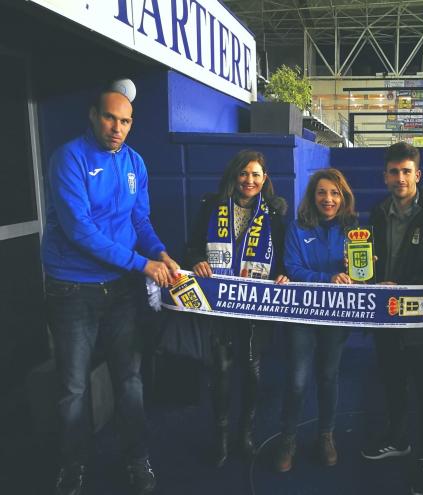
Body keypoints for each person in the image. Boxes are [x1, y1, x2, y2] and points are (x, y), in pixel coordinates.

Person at [42, 80, 179, 495]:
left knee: (130, 380)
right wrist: (143, 264)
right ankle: (73, 467)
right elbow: (79, 231)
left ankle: (136, 460)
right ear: (93, 115)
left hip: (119, 289)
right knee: (73, 388)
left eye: (124, 121)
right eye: (109, 117)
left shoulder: (135, 162)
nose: (116, 127)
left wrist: (162, 253)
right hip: (72, 290)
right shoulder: (69, 158)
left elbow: (140, 222)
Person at [360, 142, 423, 495]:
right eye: (393, 171)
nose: (399, 178)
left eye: (406, 171)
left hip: (421, 322)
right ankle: (399, 439)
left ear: (418, 174)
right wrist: (368, 279)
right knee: (393, 382)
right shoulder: (378, 212)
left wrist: (399, 286)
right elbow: (369, 260)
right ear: (384, 176)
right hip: (387, 320)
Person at [183, 150, 288, 467]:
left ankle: (246, 431)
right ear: (234, 175)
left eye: (256, 174)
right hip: (221, 303)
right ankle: (222, 436)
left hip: (256, 304)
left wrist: (286, 273)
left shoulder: (275, 211)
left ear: (264, 178)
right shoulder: (212, 205)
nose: (249, 180)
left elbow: (283, 254)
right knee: (222, 371)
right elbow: (192, 246)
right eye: (244, 173)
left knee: (253, 371)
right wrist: (196, 260)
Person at [274, 168, 357, 472]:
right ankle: (288, 438)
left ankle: (326, 435)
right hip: (302, 313)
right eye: (322, 192)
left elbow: (359, 274)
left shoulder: (353, 228)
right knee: (297, 379)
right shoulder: (297, 227)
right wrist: (328, 277)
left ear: (343, 197)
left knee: (328, 376)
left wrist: (359, 268)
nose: (328, 198)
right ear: (313, 195)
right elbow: (292, 268)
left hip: (336, 313)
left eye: (335, 193)